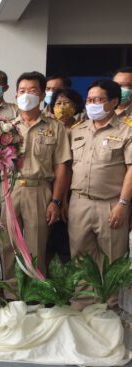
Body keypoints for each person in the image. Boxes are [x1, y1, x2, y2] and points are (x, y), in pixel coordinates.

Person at [0, 71, 70, 279]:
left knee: (36, 246)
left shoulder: (55, 127)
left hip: (39, 191)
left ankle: (35, 292)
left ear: (42, 95)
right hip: (9, 190)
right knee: (7, 245)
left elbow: (61, 166)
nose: (26, 95)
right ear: (15, 96)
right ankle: (11, 292)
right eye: (22, 91)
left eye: (32, 91)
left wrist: (56, 201)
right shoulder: (5, 127)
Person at [69, 80, 132, 270]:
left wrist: (123, 204)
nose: (92, 104)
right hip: (79, 202)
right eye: (89, 100)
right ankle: (84, 292)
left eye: (98, 100)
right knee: (80, 259)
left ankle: (110, 293)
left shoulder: (127, 130)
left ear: (114, 102)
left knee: (112, 260)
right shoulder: (77, 130)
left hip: (110, 204)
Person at [46, 88, 85, 263]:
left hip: (71, 190)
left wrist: (63, 200)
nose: (61, 107)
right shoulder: (49, 128)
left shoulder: (82, 129)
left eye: (66, 103)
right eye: (58, 103)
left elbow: (67, 167)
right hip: (47, 189)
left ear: (76, 106)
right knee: (46, 240)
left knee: (67, 239)